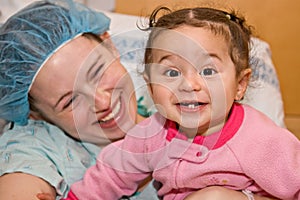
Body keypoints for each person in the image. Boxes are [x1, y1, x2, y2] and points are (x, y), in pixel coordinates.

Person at [0, 1, 288, 200]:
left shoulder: (259, 137)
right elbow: (109, 175)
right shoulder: (152, 133)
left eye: (97, 71)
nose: (102, 100)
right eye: (69, 101)